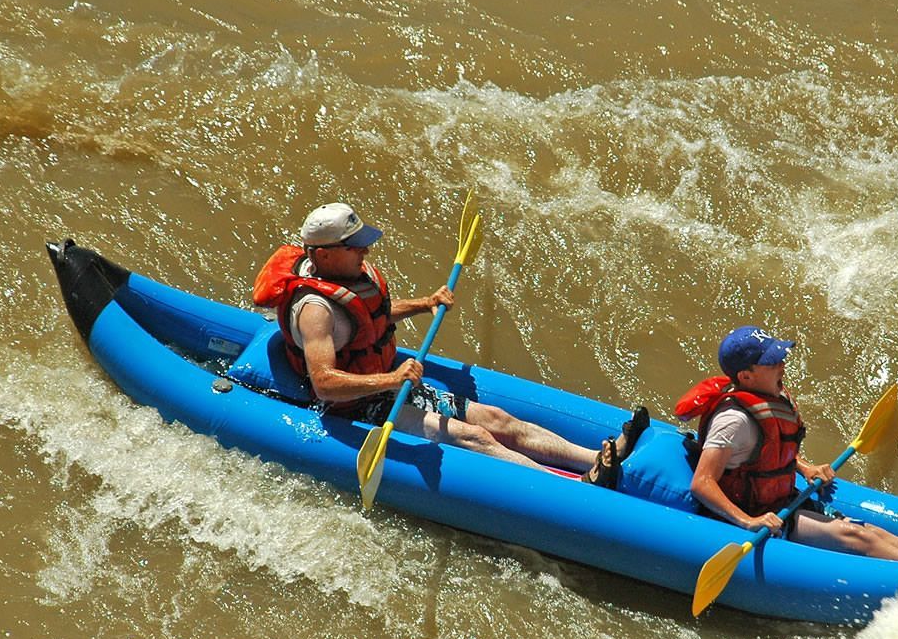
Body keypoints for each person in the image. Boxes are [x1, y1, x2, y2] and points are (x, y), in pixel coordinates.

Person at [254, 202, 647, 484]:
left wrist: (424, 303)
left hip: (388, 387)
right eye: (355, 245)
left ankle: (598, 457)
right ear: (324, 255)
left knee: (497, 419)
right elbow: (324, 383)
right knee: (474, 436)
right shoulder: (315, 310)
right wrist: (391, 380)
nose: (366, 250)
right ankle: (574, 488)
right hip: (355, 406)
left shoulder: (349, 274)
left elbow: (370, 319)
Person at [674, 325, 898, 561]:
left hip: (783, 501)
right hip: (760, 512)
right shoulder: (733, 421)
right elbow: (702, 483)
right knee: (858, 537)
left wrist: (805, 467)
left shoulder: (770, 396)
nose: (782, 365)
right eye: (771, 362)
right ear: (746, 376)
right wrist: (748, 521)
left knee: (874, 531)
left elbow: (767, 449)